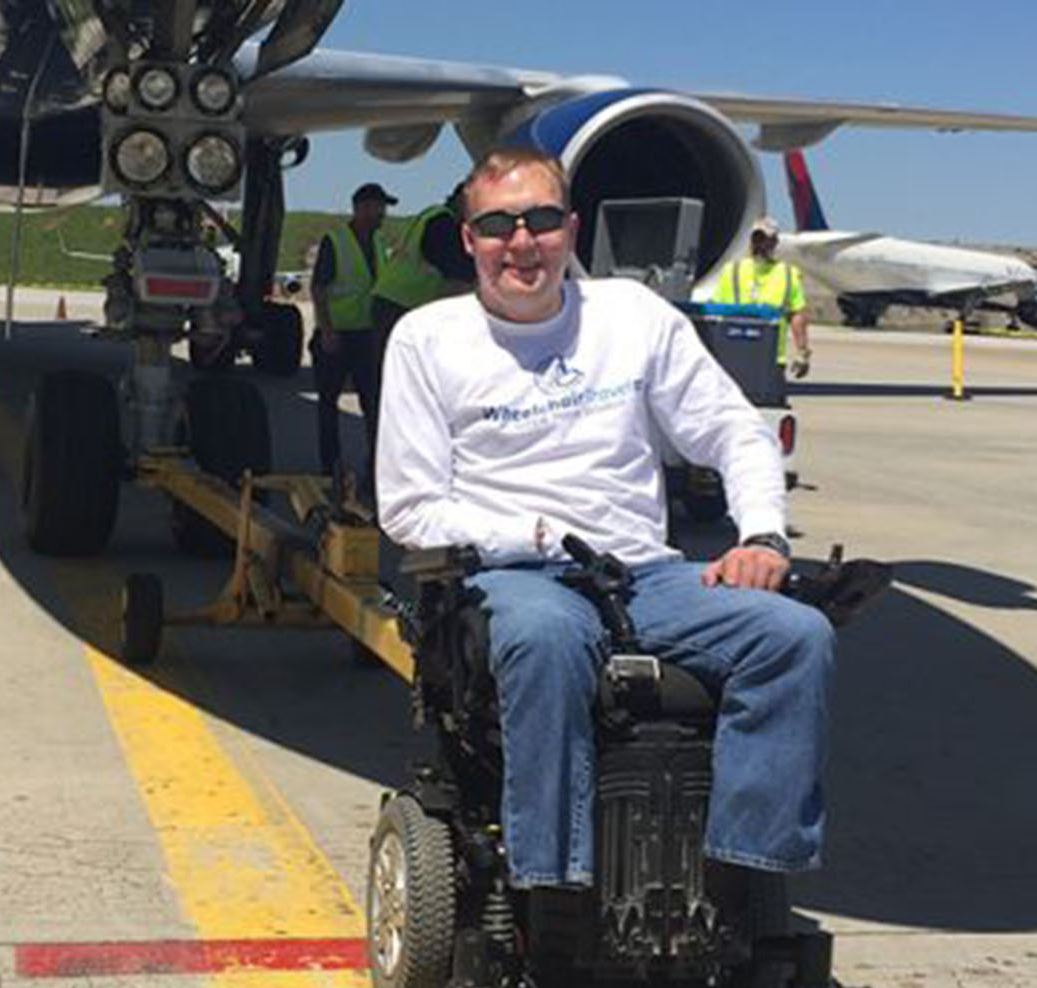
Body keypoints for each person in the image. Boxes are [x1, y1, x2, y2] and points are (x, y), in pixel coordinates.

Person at [378, 148, 835, 889]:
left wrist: (761, 535)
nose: (521, 242)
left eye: (542, 220)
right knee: (546, 637)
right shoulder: (428, 340)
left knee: (795, 637)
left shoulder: (632, 316)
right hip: (516, 576)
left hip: (642, 572)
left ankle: (739, 875)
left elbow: (734, 430)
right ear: (469, 240)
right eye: (496, 225)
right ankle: (554, 882)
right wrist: (527, 535)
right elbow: (409, 508)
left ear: (572, 228)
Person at [310, 181, 394, 488]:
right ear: (361, 208)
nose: (383, 213)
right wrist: (327, 330)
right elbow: (318, 288)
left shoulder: (380, 243)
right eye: (379, 207)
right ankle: (329, 467)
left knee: (373, 405)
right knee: (328, 405)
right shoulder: (336, 241)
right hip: (338, 334)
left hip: (366, 336)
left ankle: (375, 468)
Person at [371, 181, 476, 360]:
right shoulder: (443, 224)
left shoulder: (431, 215)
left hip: (392, 300)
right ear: (463, 200)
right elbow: (456, 271)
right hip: (402, 304)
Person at [713, 216, 813, 379]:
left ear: (775, 242)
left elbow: (797, 315)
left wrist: (803, 352)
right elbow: (714, 313)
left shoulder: (788, 274)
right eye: (757, 238)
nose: (760, 244)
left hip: (770, 359)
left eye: (764, 239)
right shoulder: (731, 271)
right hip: (733, 355)